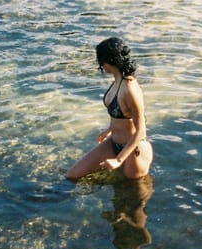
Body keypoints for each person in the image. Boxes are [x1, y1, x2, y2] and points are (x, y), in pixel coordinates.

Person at [66, 37, 154, 181]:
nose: (101, 65)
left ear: (108, 60)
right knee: (72, 175)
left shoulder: (130, 88)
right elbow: (123, 116)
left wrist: (118, 160)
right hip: (114, 142)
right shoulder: (117, 81)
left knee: (134, 195)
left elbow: (141, 129)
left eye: (101, 61)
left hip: (133, 149)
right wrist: (109, 130)